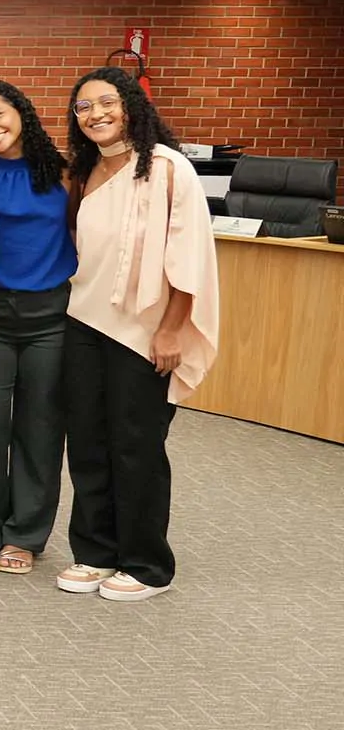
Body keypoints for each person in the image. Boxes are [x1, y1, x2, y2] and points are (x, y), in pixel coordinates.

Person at [57, 67, 218, 602]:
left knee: (137, 446)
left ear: (131, 105)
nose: (95, 114)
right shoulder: (85, 171)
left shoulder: (168, 168)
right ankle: (95, 552)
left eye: (107, 102)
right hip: (84, 319)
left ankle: (147, 564)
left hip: (146, 330)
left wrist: (172, 330)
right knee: (87, 442)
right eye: (83, 107)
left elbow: (189, 258)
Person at [0, 80, 77, 574]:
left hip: (52, 315)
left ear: (21, 111)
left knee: (40, 428)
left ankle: (25, 535)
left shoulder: (65, 172)